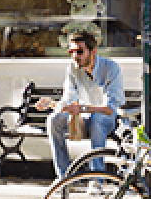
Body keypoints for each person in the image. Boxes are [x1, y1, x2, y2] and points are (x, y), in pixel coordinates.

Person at [34, 30, 123, 179]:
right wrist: (53, 104)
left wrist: (81, 108)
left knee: (97, 119)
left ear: (92, 51)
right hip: (83, 118)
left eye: (80, 51)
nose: (75, 55)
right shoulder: (72, 68)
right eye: (72, 51)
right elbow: (69, 98)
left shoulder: (111, 68)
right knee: (54, 119)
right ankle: (64, 178)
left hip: (108, 120)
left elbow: (110, 109)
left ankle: (96, 179)